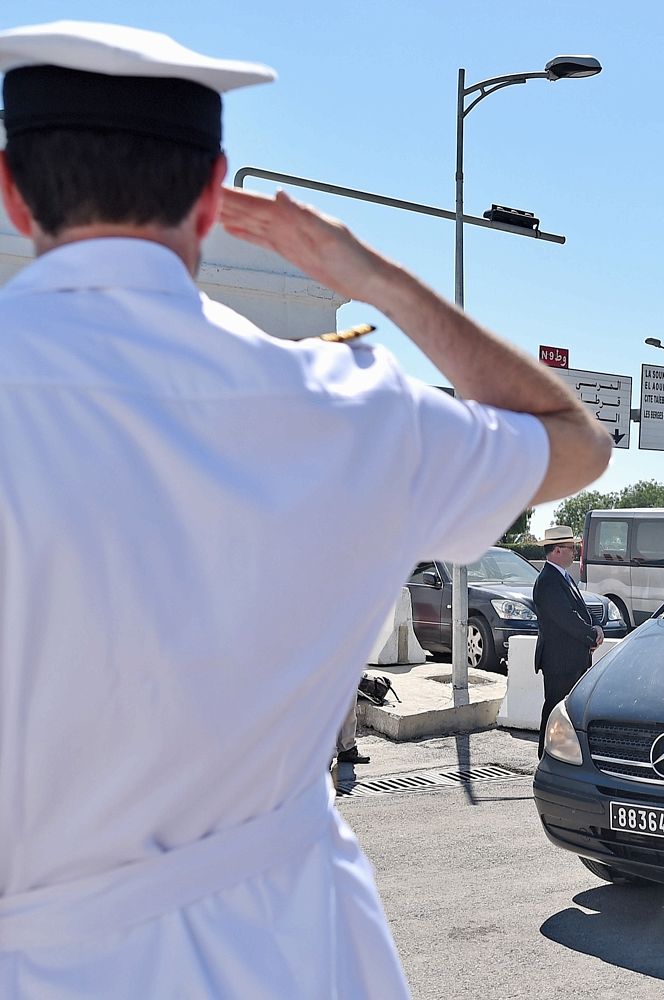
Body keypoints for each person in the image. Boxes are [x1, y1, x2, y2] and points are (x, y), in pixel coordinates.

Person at [0, 21, 610, 998]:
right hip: (284, 953)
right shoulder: (350, 410)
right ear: (212, 193)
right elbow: (575, 441)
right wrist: (365, 274)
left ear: (9, 185)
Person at [533, 524, 603, 755]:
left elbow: (580, 611)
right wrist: (591, 634)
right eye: (571, 548)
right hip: (559, 661)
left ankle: (560, 755)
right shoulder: (548, 581)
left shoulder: (562, 577)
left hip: (572, 659)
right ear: (557, 551)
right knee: (554, 709)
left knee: (566, 713)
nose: (575, 552)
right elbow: (566, 618)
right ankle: (545, 755)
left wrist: (594, 629)